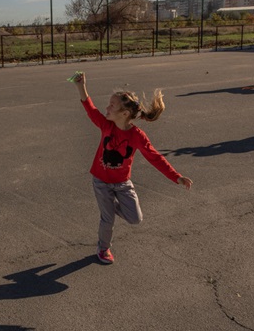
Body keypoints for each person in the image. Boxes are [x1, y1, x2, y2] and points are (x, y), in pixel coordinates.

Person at [71, 72, 192, 264]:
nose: (107, 108)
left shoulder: (137, 136)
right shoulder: (106, 126)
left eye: (112, 105)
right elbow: (90, 108)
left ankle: (111, 206)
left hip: (122, 183)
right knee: (107, 219)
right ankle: (103, 248)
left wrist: (176, 177)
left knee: (135, 218)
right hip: (101, 182)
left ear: (125, 114)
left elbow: (155, 158)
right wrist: (81, 86)